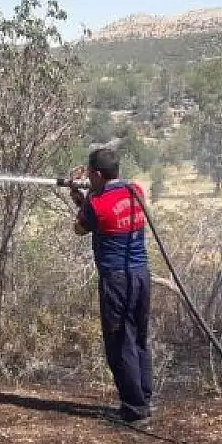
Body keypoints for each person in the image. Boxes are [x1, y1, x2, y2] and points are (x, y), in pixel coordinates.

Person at [68, 146, 153, 424]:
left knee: (119, 341)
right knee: (138, 337)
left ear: (95, 174)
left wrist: (80, 195)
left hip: (116, 279)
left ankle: (133, 409)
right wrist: (89, 194)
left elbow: (79, 228)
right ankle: (143, 398)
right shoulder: (136, 191)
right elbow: (102, 213)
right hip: (141, 275)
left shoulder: (96, 203)